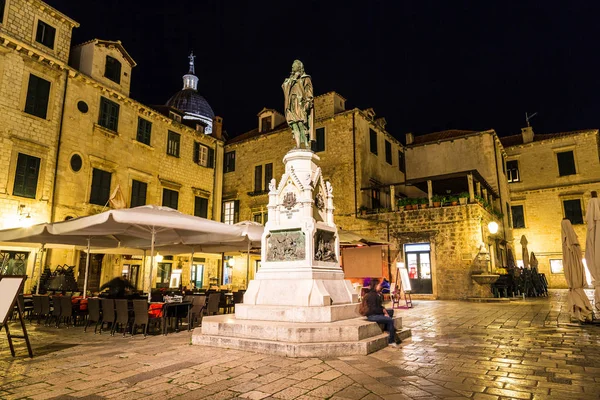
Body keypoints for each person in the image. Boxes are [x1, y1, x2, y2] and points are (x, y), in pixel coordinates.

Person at [282, 59, 314, 149]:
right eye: (292, 65)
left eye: (294, 65)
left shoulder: (305, 78)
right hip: (291, 104)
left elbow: (308, 90)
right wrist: (294, 78)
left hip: (300, 103)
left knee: (301, 123)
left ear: (299, 67)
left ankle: (306, 144)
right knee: (294, 125)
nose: (292, 66)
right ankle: (298, 145)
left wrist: (308, 101)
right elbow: (284, 87)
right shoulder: (289, 80)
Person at [363, 278, 398, 347]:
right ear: (375, 286)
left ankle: (387, 327)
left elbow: (379, 306)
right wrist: (383, 312)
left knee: (390, 311)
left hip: (376, 312)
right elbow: (373, 309)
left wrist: (384, 310)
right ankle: (391, 341)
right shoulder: (371, 296)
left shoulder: (377, 294)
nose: (380, 286)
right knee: (390, 320)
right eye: (379, 285)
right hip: (372, 315)